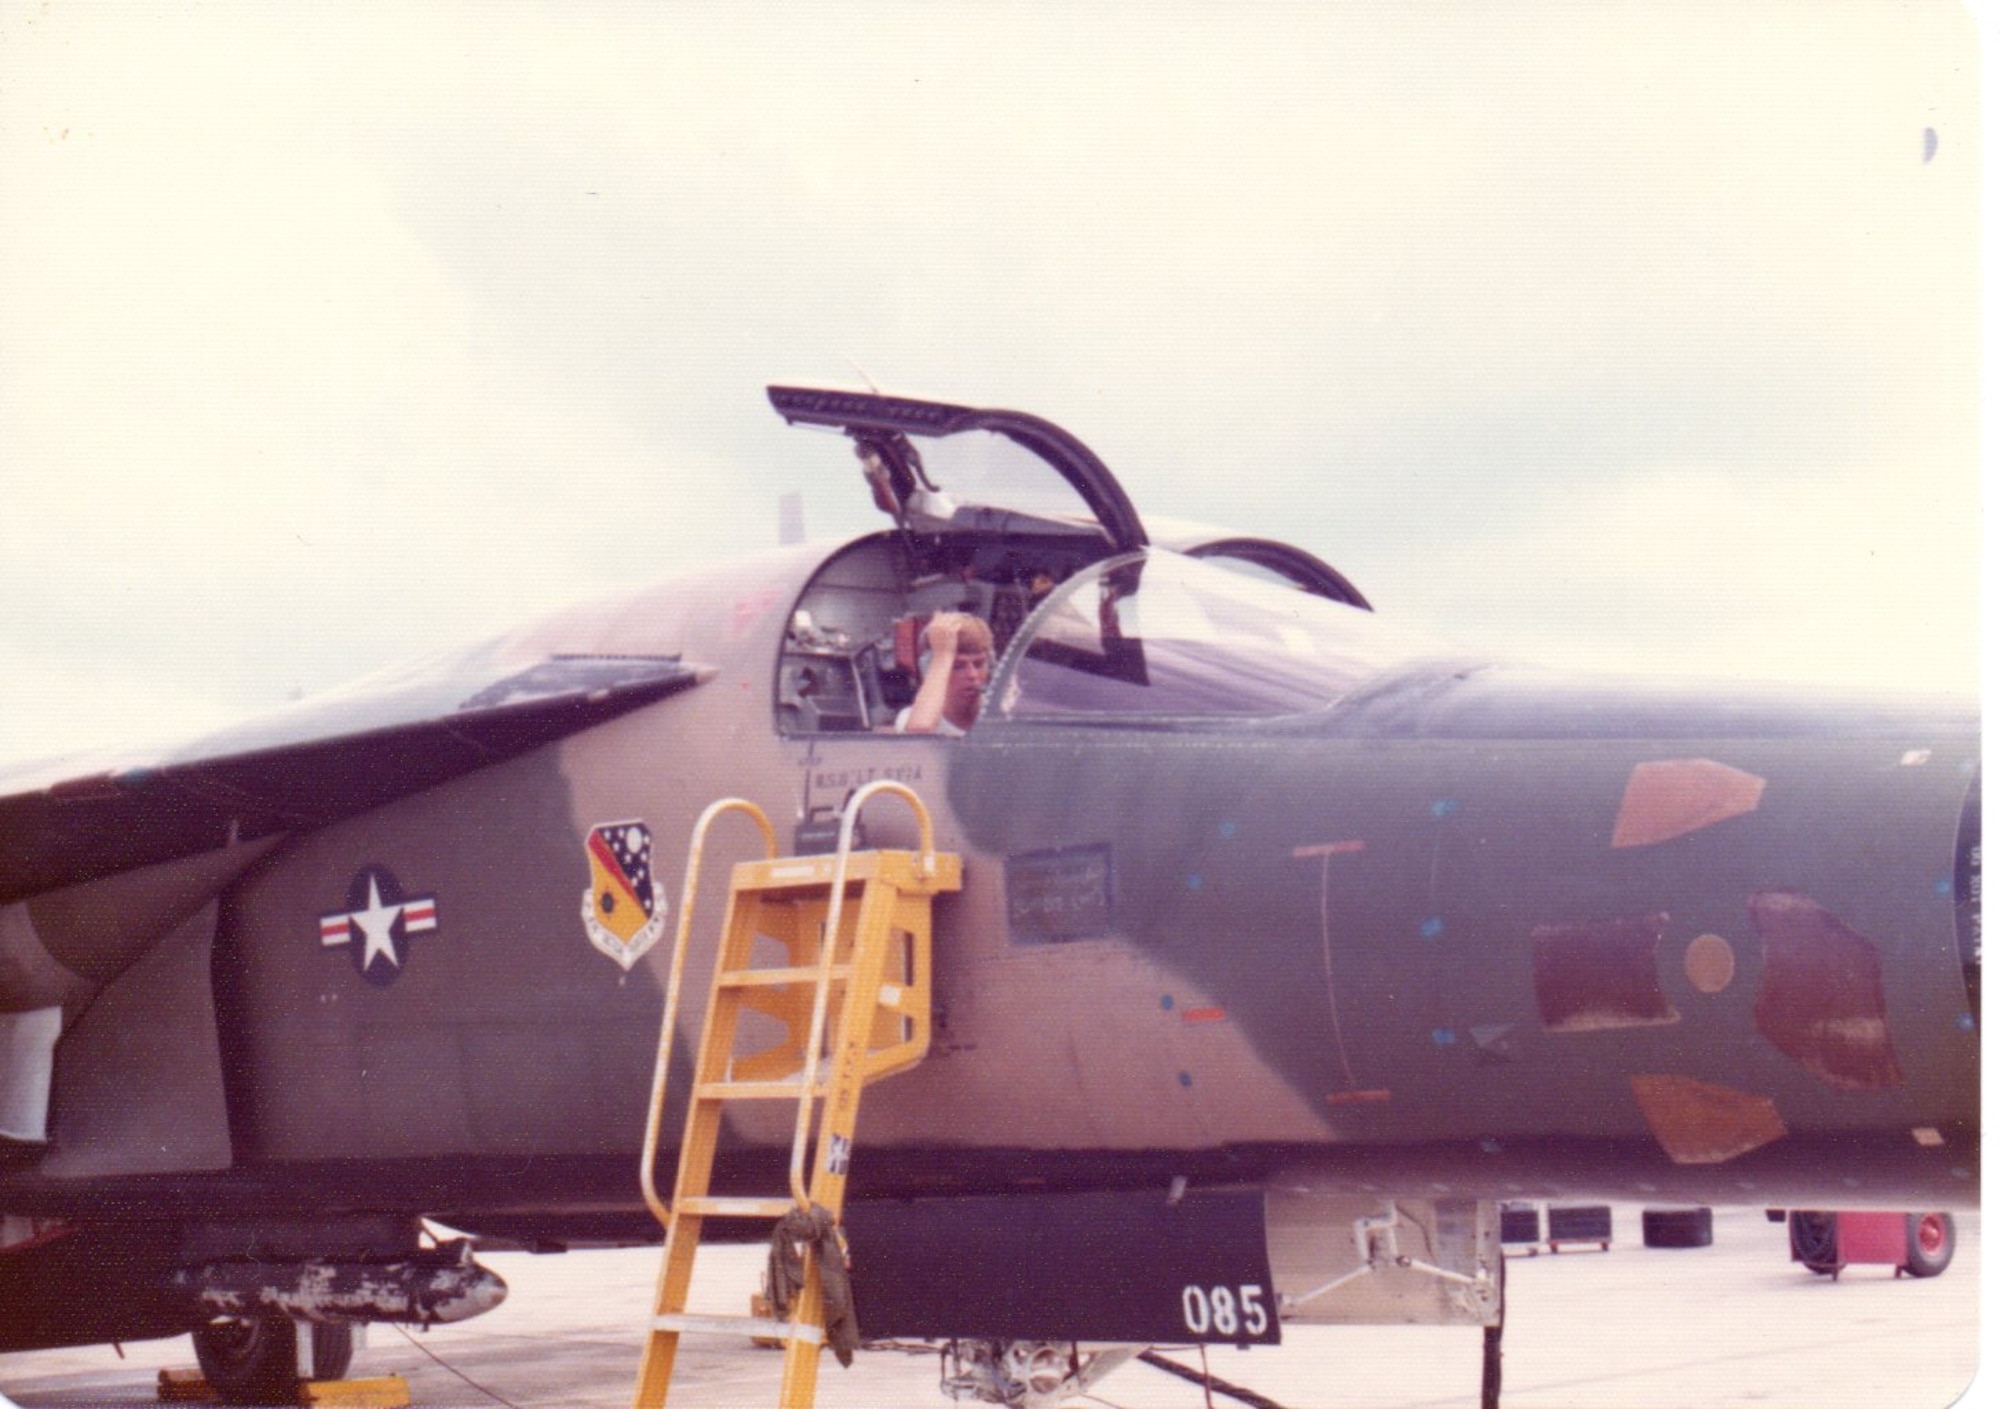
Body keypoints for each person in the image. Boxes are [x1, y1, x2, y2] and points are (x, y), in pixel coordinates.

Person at [894, 612, 993, 735]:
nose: (972, 675)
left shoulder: (1002, 712)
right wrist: (943, 655)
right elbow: (919, 730)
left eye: (978, 664)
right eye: (958, 667)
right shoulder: (911, 717)